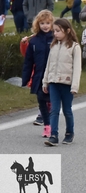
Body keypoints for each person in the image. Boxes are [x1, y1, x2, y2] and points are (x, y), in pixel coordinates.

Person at [42, 18, 81, 146]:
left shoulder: (74, 47)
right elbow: (48, 65)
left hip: (67, 84)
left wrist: (74, 86)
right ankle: (53, 135)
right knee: (54, 109)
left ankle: (69, 133)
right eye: (54, 31)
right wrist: (45, 82)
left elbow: (77, 68)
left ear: (67, 31)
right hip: (53, 83)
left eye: (58, 31)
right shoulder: (53, 46)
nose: (55, 33)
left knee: (67, 110)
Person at [21, 10, 54, 138]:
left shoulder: (56, 38)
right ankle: (47, 126)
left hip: (53, 76)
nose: (45, 26)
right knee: (41, 99)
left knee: (51, 100)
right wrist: (26, 78)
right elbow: (28, 61)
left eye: (48, 23)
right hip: (39, 76)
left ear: (52, 24)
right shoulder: (34, 41)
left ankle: (51, 123)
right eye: (42, 23)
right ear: (37, 24)